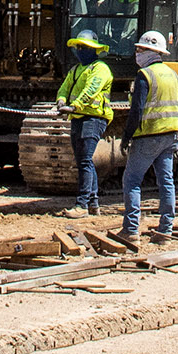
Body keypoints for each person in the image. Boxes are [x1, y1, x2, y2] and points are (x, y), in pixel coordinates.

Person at [119, 29, 178, 244]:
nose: (137, 53)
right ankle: (166, 230)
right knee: (166, 182)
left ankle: (131, 229)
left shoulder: (144, 75)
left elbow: (136, 110)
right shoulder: (172, 74)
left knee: (132, 181)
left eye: (140, 49)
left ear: (149, 51)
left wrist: (127, 137)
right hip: (170, 135)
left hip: (148, 135)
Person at [54, 30, 114, 217]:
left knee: (85, 160)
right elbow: (64, 88)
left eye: (85, 47)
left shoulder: (100, 69)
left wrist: (75, 107)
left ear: (94, 50)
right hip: (79, 118)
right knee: (83, 161)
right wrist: (61, 101)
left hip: (94, 118)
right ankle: (93, 203)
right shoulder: (76, 70)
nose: (81, 50)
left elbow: (91, 90)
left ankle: (82, 204)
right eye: (79, 47)